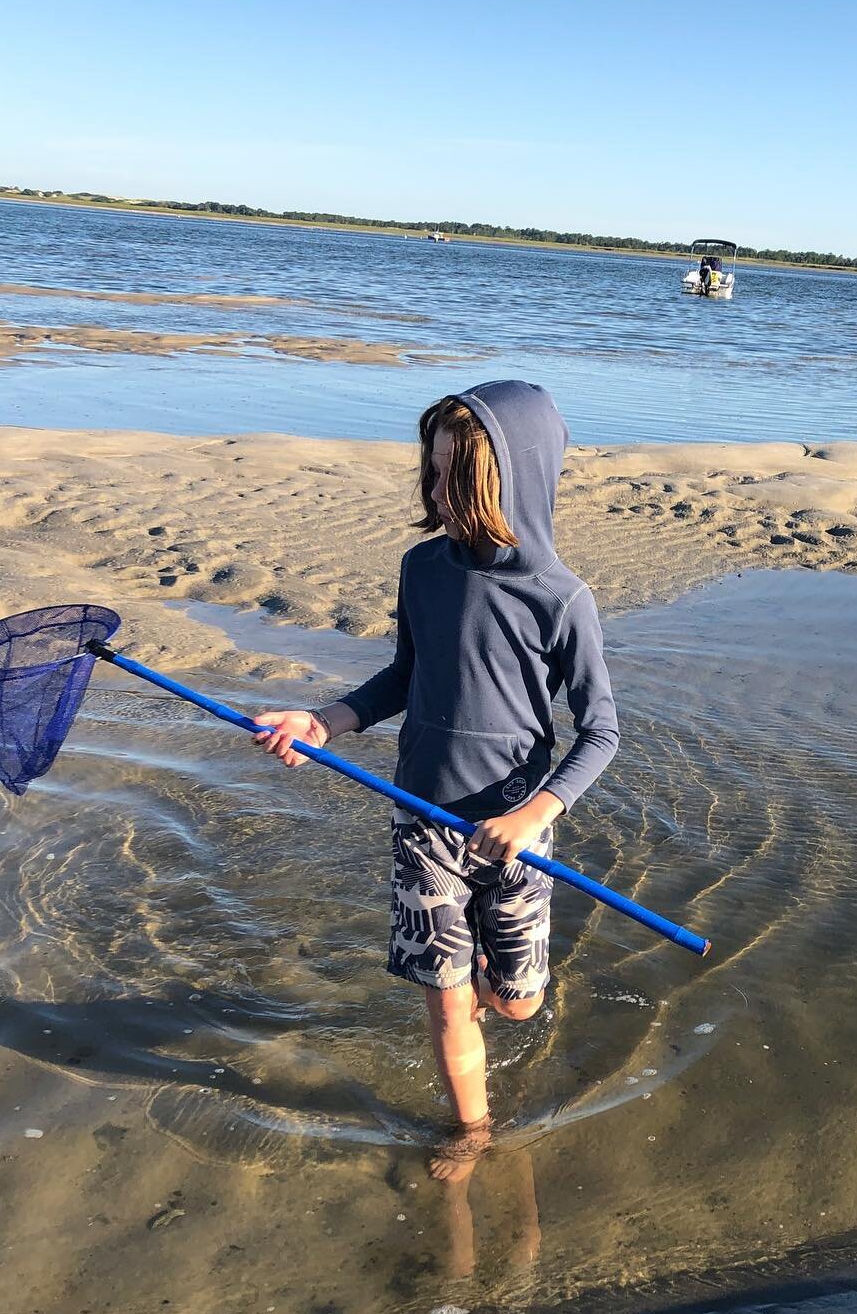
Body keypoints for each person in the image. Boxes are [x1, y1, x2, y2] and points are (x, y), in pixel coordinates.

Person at [252, 381, 619, 1169]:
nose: (437, 494)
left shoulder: (561, 599)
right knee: (448, 1001)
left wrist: (535, 815)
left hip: (517, 832)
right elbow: (400, 677)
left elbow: (602, 732)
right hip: (421, 815)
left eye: (458, 479)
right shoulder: (422, 569)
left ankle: (492, 972)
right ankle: (471, 1134)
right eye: (432, 473)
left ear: (514, 482)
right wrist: (324, 722)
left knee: (515, 1007)